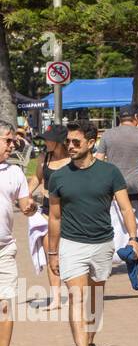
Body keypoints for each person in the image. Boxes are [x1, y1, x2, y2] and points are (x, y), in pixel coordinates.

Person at [47, 121, 138, 346]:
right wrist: (53, 252)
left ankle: (89, 344)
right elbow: (55, 218)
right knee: (76, 297)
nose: (70, 146)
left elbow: (125, 208)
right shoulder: (58, 177)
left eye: (76, 142)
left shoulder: (109, 173)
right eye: (68, 141)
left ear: (91, 143)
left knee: (96, 299)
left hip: (102, 243)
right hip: (72, 244)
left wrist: (134, 238)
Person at [0, 121, 39, 346]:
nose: (12, 144)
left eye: (12, 140)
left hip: (4, 249)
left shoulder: (14, 172)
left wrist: (30, 208)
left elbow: (25, 203)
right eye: (7, 139)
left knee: (4, 305)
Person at [95, 104, 138, 274]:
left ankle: (112, 258)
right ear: (136, 117)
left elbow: (98, 159)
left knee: (114, 226)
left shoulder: (108, 135)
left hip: (113, 190)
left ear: (120, 118)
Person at [26, 125, 70, 310]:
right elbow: (37, 178)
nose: (45, 142)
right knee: (51, 251)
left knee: (69, 253)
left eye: (48, 139)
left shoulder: (72, 160)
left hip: (69, 210)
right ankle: (56, 298)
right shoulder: (45, 158)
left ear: (59, 141)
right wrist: (25, 195)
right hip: (47, 211)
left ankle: (77, 291)